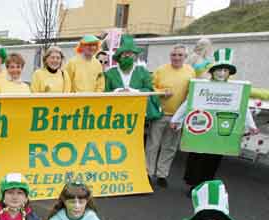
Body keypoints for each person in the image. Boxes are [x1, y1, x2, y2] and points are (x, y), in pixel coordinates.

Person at [171, 48, 259, 195]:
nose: (222, 73)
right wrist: (176, 120)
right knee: (197, 157)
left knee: (213, 159)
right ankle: (194, 185)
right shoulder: (202, 86)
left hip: (219, 133)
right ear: (213, 71)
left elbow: (243, 108)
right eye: (219, 70)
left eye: (225, 70)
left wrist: (252, 125)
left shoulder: (235, 89)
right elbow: (188, 103)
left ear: (229, 73)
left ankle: (205, 186)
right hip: (201, 129)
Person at [147, 44, 195, 188]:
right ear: (170, 56)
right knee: (153, 144)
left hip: (177, 116)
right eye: (174, 55)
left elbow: (192, 92)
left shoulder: (190, 71)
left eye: (180, 55)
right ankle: (148, 173)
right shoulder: (161, 70)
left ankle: (162, 174)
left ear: (185, 57)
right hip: (160, 113)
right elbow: (150, 87)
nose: (176, 58)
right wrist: (161, 91)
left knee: (170, 146)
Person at [104, 35, 162, 122]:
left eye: (130, 53)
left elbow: (150, 90)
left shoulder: (143, 72)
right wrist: (118, 91)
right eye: (124, 53)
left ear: (135, 56)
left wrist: (132, 91)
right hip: (115, 115)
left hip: (138, 116)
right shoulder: (109, 73)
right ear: (119, 56)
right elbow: (104, 92)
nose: (127, 56)